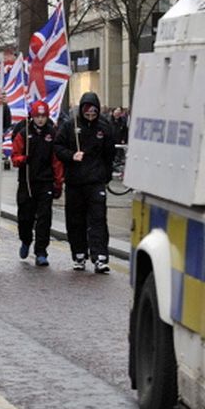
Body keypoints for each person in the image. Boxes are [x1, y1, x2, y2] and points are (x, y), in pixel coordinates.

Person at [54, 92, 116, 273]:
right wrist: (71, 156)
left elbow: (110, 154)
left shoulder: (104, 127)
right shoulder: (69, 126)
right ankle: (79, 254)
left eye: (93, 114)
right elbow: (58, 147)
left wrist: (106, 176)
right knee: (75, 220)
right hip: (75, 182)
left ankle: (100, 257)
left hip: (95, 181)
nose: (90, 117)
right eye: (87, 114)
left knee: (98, 219)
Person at [11, 101, 64, 267]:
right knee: (25, 216)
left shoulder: (53, 133)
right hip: (27, 181)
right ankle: (26, 240)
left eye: (43, 116)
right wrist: (23, 160)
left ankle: (41, 251)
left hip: (45, 182)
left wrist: (58, 183)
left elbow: (57, 161)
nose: (40, 119)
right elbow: (14, 156)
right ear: (32, 116)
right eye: (37, 116)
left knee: (44, 217)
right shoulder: (23, 133)